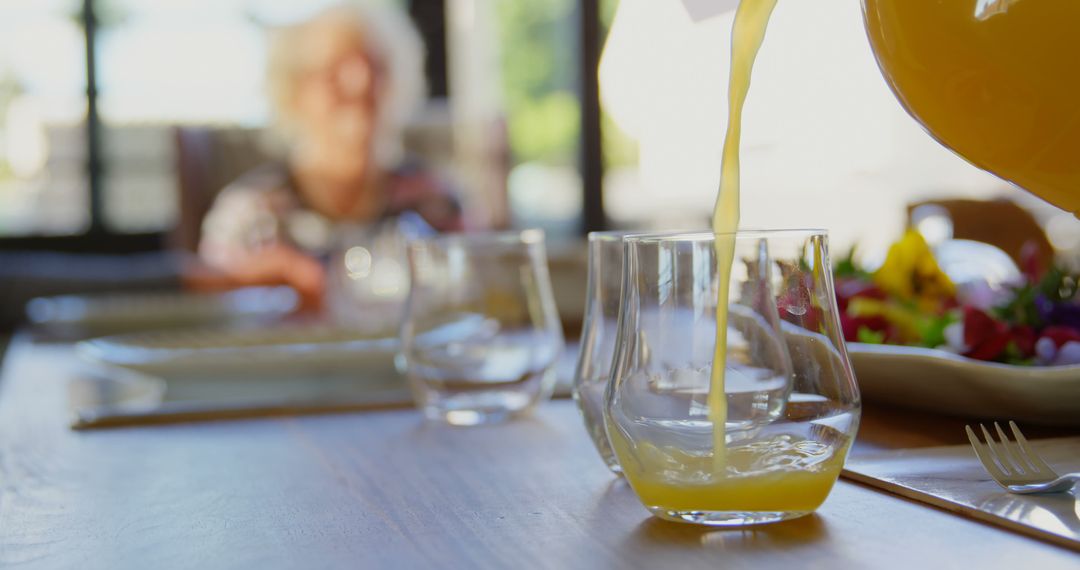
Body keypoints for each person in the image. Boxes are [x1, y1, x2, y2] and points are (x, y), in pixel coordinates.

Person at [197, 2, 464, 308]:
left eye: (376, 67)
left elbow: (478, 304)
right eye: (332, 71)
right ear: (293, 91)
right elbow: (209, 311)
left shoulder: (436, 201)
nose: (359, 84)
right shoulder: (250, 214)